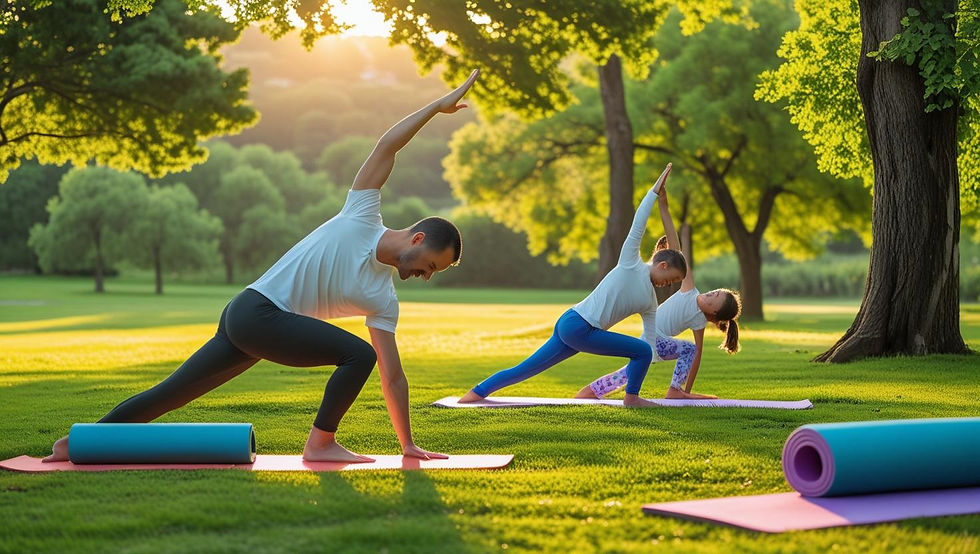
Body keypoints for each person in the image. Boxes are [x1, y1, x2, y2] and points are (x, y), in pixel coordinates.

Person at [42, 70, 482, 464]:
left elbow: (393, 376)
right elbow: (388, 145)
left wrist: (407, 443)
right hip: (254, 311)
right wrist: (436, 107)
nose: (424, 276)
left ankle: (76, 444)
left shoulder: (382, 297)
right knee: (355, 354)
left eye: (431, 274)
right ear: (418, 239)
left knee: (174, 394)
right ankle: (321, 444)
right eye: (429, 265)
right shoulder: (361, 214)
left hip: (253, 322)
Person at [459, 164, 687, 407]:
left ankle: (471, 397)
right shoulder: (630, 262)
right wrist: (655, 193)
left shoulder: (649, 302)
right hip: (580, 327)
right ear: (661, 265)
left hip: (572, 324)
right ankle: (631, 399)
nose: (668, 285)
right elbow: (638, 222)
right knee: (639, 351)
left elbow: (650, 342)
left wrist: (653, 355)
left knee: (525, 370)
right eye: (671, 279)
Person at [575, 178, 741, 401]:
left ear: (712, 314)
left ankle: (596, 392)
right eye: (715, 291)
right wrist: (664, 206)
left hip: (658, 340)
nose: (710, 293)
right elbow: (676, 249)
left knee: (685, 352)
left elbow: (697, 355)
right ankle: (590, 392)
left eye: (713, 299)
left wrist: (688, 392)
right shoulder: (689, 289)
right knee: (630, 372)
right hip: (654, 337)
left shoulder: (699, 321)